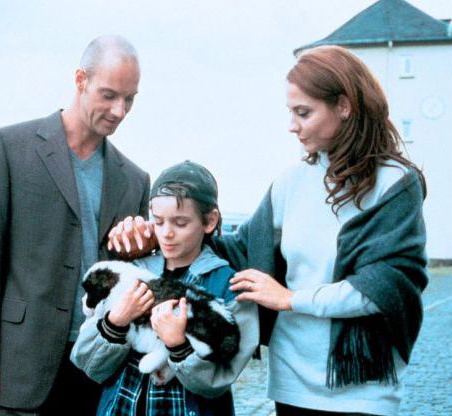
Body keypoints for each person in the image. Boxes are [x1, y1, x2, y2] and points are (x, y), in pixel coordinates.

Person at [107, 46, 428, 416]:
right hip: (292, 382)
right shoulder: (291, 182)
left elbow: (384, 286)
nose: (292, 125)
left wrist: (290, 299)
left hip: (364, 385)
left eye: (303, 113)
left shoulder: (395, 184)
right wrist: (155, 237)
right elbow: (235, 250)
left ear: (343, 106)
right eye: (290, 112)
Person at [0, 35, 150, 416]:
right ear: (80, 80)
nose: (119, 111)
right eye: (109, 95)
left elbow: (134, 273)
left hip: (102, 370)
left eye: (129, 99)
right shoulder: (6, 148)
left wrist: (143, 245)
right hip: (23, 369)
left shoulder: (135, 179)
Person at [71, 160, 259, 416]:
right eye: (158, 222)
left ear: (210, 221)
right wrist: (115, 322)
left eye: (180, 223)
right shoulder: (129, 273)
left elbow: (219, 382)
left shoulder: (231, 286)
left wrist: (178, 345)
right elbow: (88, 364)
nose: (167, 233)